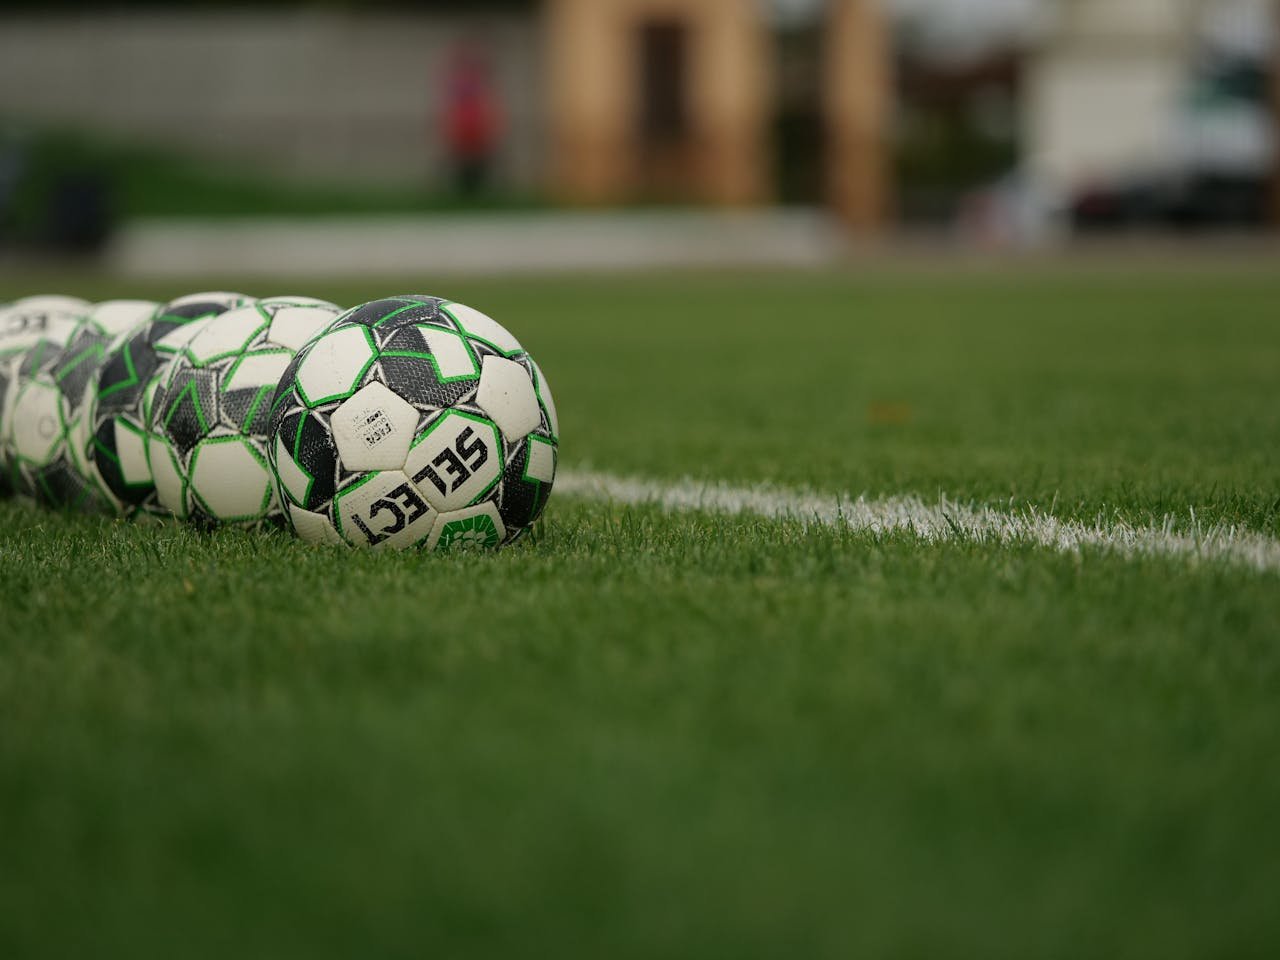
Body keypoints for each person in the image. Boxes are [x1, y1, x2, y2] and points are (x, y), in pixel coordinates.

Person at [441, 41, 502, 197]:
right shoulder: (460, 81)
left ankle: (476, 191)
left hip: (477, 127)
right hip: (464, 127)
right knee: (462, 161)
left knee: (479, 161)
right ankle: (464, 191)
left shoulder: (478, 82)